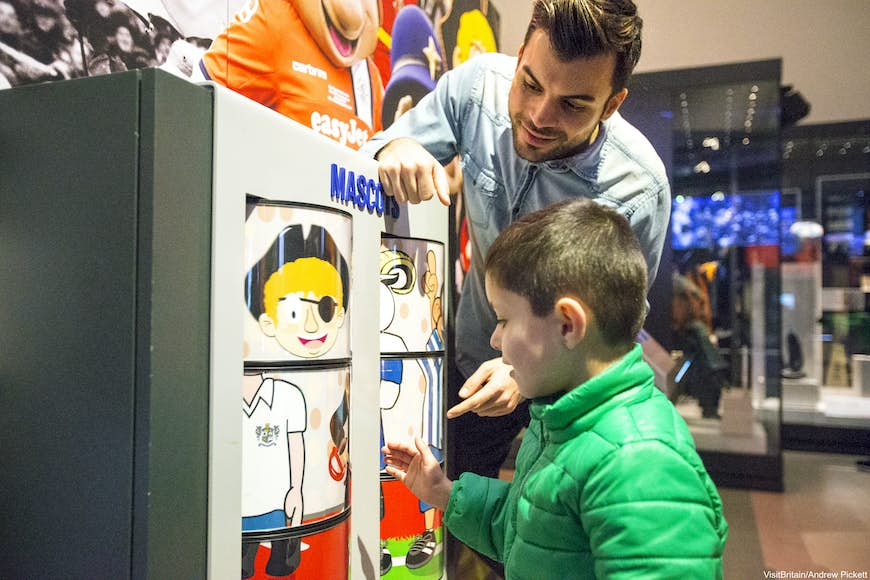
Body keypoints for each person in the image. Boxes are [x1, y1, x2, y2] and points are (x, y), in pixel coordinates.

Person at [361, 0, 671, 484]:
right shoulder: (476, 88)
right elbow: (374, 152)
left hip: (566, 390)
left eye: (573, 104)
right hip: (470, 364)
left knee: (545, 530)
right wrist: (395, 146)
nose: (538, 116)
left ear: (611, 105)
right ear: (522, 51)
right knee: (455, 504)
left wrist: (525, 373)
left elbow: (614, 331)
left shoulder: (637, 190)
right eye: (530, 83)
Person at [383, 199, 728, 579]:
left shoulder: (639, 459)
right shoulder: (562, 421)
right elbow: (532, 532)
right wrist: (444, 494)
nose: (496, 340)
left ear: (567, 324)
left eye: (503, 319)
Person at [671, 273, 726, 419]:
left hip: (708, 375)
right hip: (710, 373)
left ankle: (710, 406)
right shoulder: (695, 328)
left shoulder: (694, 329)